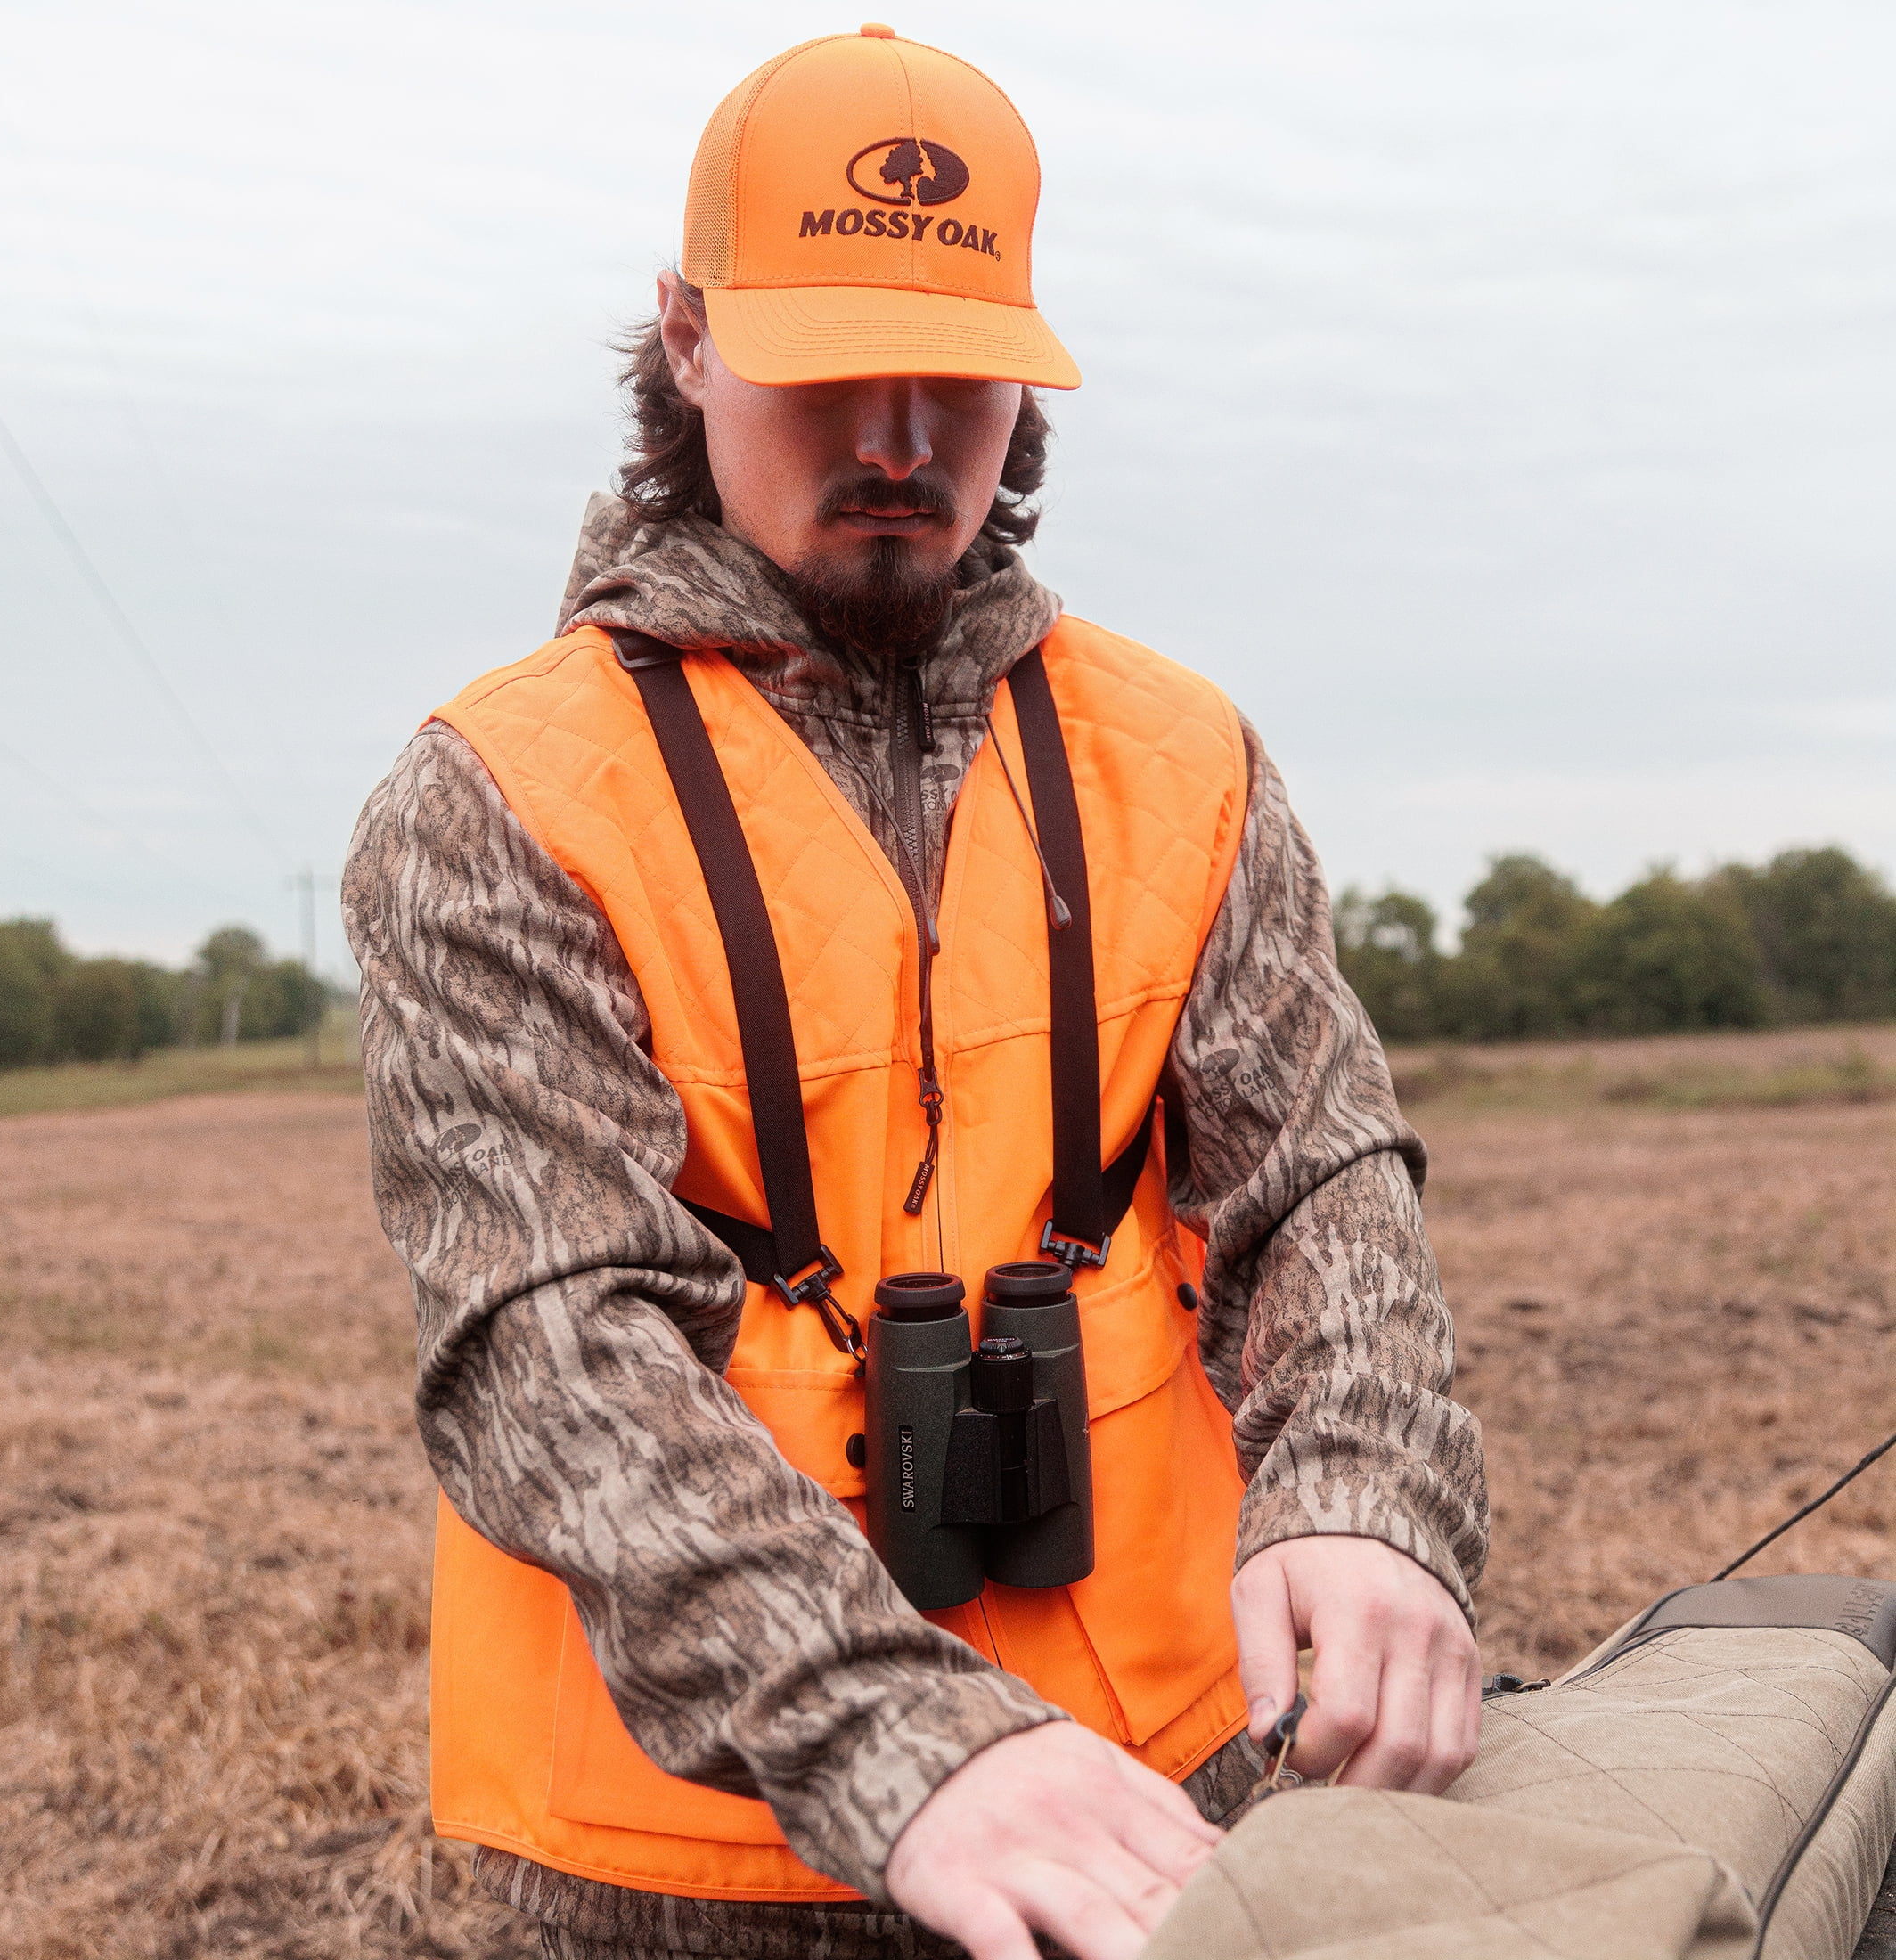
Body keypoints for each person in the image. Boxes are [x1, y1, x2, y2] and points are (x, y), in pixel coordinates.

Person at [344, 25, 1489, 1960]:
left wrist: (1367, 1494)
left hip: (1173, 1773)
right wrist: (900, 1740)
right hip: (690, 1860)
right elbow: (548, 1344)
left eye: (956, 373)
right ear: (688, 336)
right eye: (826, 365)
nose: (897, 436)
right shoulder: (496, 796)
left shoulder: (1181, 752)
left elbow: (1316, 1178)